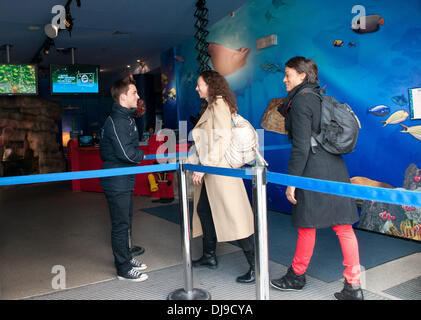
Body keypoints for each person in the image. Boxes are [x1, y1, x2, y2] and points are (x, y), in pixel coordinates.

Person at [271, 56, 363, 300]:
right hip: (335, 166)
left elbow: (301, 147)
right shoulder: (319, 96)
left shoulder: (301, 102)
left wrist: (292, 181)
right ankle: (353, 286)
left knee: (306, 224)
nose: (284, 79)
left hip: (313, 169)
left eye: (288, 74)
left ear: (302, 75)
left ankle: (296, 276)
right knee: (343, 227)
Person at [187, 70, 256, 284]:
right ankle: (209, 256)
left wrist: (203, 166)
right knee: (204, 211)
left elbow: (222, 138)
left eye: (200, 84)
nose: (197, 88)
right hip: (213, 171)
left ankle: (255, 267)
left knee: (235, 219)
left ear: (211, 85)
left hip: (220, 171)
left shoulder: (218, 104)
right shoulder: (212, 104)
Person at [99, 77, 148, 282]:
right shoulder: (118, 120)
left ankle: (126, 258)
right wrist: (142, 156)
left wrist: (136, 153)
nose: (138, 96)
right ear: (123, 97)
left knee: (126, 222)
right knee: (120, 225)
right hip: (116, 179)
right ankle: (123, 268)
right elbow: (126, 154)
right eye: (134, 92)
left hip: (124, 178)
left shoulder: (127, 118)